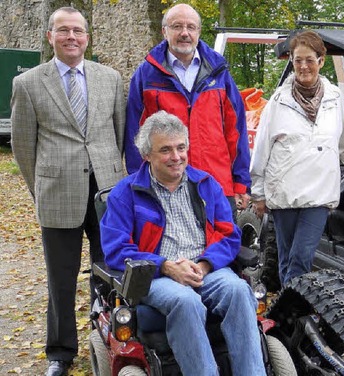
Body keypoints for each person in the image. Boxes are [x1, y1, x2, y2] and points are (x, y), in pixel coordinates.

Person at [100, 111, 266, 376]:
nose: (176, 157)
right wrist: (165, 266)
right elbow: (116, 249)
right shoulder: (126, 193)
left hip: (204, 268)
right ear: (147, 155)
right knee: (184, 301)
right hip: (156, 275)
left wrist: (204, 264)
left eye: (180, 148)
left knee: (238, 290)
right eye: (165, 150)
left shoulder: (205, 184)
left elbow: (229, 234)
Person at [10, 7, 125, 375]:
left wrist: (112, 176)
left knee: (109, 270)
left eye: (78, 30)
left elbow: (119, 135)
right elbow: (23, 146)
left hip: (107, 194)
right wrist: (42, 187)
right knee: (60, 278)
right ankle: (60, 353)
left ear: (87, 37)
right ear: (50, 37)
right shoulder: (28, 83)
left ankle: (106, 337)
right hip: (58, 192)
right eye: (63, 31)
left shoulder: (110, 78)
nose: (71, 37)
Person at [249, 30, 344, 285]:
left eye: (309, 60)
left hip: (319, 194)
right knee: (287, 258)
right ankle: (289, 315)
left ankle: (291, 311)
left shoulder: (335, 98)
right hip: (285, 193)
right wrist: (258, 194)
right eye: (298, 60)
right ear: (291, 60)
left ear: (321, 61)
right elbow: (261, 152)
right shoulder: (278, 102)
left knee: (301, 257)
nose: (303, 66)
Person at [125, 3, 251, 214]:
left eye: (191, 27)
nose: (185, 33)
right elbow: (134, 135)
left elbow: (236, 131)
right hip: (164, 186)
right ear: (164, 31)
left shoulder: (218, 73)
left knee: (221, 246)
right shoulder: (147, 75)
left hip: (216, 184)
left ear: (198, 32)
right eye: (177, 26)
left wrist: (240, 182)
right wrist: (140, 183)